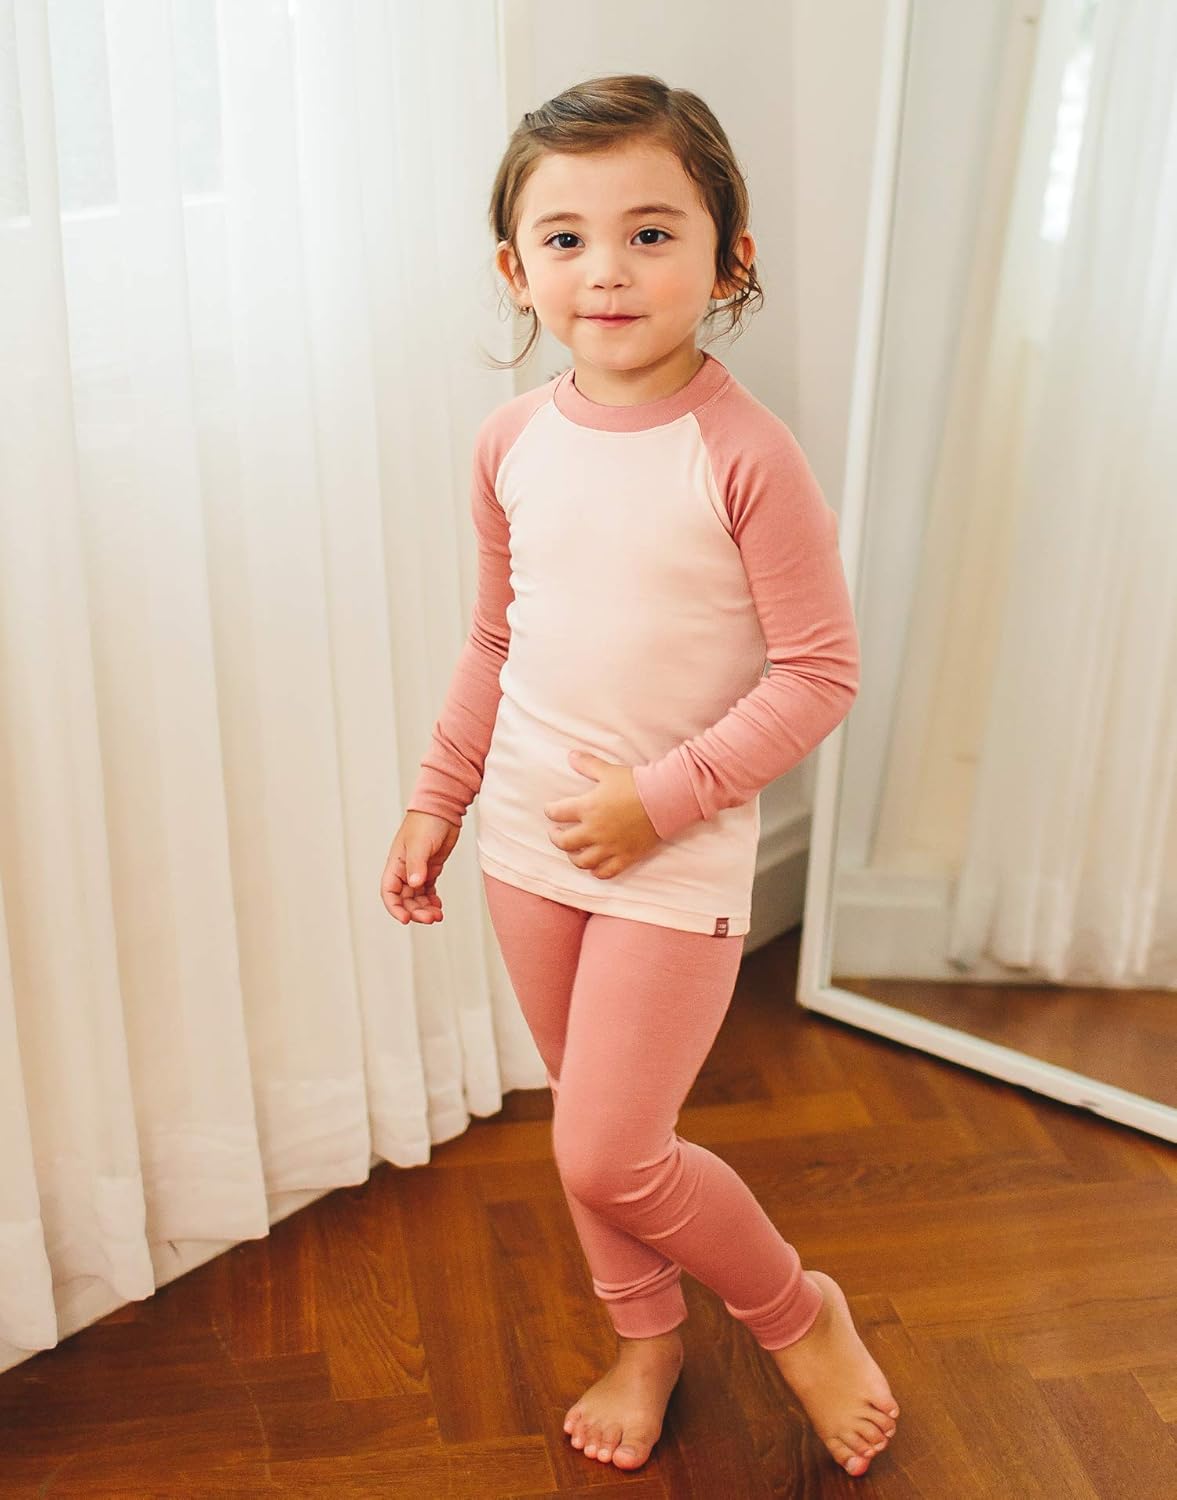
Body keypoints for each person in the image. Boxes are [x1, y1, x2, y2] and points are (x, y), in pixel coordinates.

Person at [380, 73, 899, 1480]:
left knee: (612, 1150)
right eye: (565, 237)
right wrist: (438, 795)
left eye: (650, 233)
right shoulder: (509, 442)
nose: (605, 268)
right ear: (516, 268)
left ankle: (796, 1315)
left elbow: (818, 675)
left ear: (730, 259)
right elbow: (496, 638)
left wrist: (653, 802)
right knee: (587, 1134)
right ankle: (646, 1339)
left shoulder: (746, 456)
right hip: (525, 842)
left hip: (670, 853)